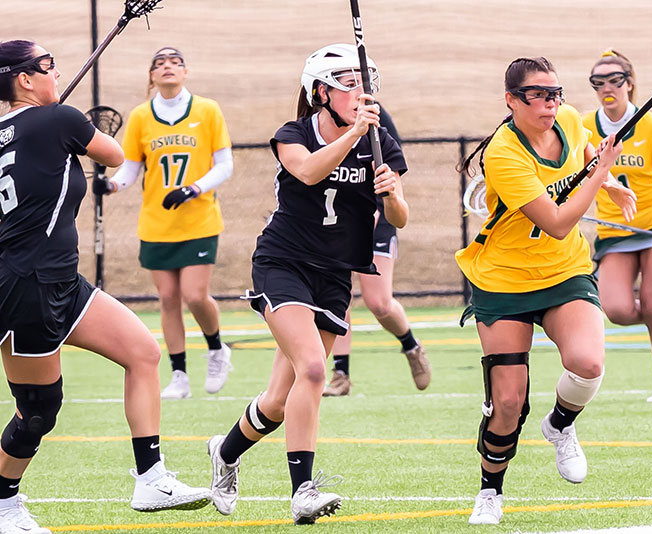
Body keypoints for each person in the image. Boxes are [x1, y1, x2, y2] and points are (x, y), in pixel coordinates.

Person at [0, 40, 211, 534]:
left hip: (61, 280)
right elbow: (114, 154)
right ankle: (4, 502)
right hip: (27, 285)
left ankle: (151, 478)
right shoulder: (58, 120)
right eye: (47, 67)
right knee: (38, 410)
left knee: (142, 353)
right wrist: (64, 124)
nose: (56, 74)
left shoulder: (33, 127)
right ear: (25, 80)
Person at [205, 44, 408, 524]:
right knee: (314, 370)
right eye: (348, 84)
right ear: (321, 92)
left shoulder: (381, 141)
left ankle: (225, 452)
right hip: (283, 262)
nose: (360, 93)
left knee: (279, 398)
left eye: (364, 84)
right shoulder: (292, 134)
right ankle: (303, 492)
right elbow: (309, 171)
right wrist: (356, 133)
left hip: (335, 273)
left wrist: (390, 192)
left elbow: (400, 215)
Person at [455, 57, 636, 525]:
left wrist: (609, 181)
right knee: (508, 401)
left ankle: (559, 425)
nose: (551, 103)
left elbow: (587, 153)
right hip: (503, 280)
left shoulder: (570, 119)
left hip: (564, 272)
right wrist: (602, 175)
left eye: (556, 93)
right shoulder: (504, 153)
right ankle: (490, 490)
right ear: (512, 100)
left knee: (589, 363)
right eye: (538, 95)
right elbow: (556, 223)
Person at [96, 47, 234, 400]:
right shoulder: (142, 116)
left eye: (176, 63)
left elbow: (224, 165)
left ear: (186, 73)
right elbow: (130, 168)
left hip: (199, 220)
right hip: (156, 224)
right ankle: (179, 377)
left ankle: (217, 349)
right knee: (169, 298)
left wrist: (193, 189)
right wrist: (110, 185)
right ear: (152, 77)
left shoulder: (207, 110)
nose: (168, 67)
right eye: (159, 64)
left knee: (194, 295)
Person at [583, 50, 652, 403]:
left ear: (629, 83)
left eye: (615, 80)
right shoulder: (584, 127)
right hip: (614, 233)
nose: (607, 88)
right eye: (598, 83)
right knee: (616, 310)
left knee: (650, 304)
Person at [324, 107, 431, 397]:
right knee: (338, 296)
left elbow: (393, 178)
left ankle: (410, 345)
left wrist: (372, 214)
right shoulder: (320, 119)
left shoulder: (376, 117)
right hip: (337, 219)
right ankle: (340, 375)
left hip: (377, 216)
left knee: (379, 302)